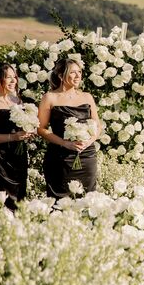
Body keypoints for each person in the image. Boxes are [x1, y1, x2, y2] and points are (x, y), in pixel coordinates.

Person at [37, 58, 101, 198]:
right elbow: (41, 129)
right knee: (60, 201)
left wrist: (88, 142)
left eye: (79, 72)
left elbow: (98, 126)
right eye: (73, 72)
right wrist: (65, 143)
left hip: (86, 156)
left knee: (87, 199)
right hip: (60, 158)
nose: (78, 76)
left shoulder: (87, 97)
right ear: (61, 75)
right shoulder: (50, 98)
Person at [0, 63, 33, 209]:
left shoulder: (17, 101)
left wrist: (29, 130)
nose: (14, 80)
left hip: (18, 158)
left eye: (14, 76)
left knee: (18, 199)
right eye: (8, 77)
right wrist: (12, 137)